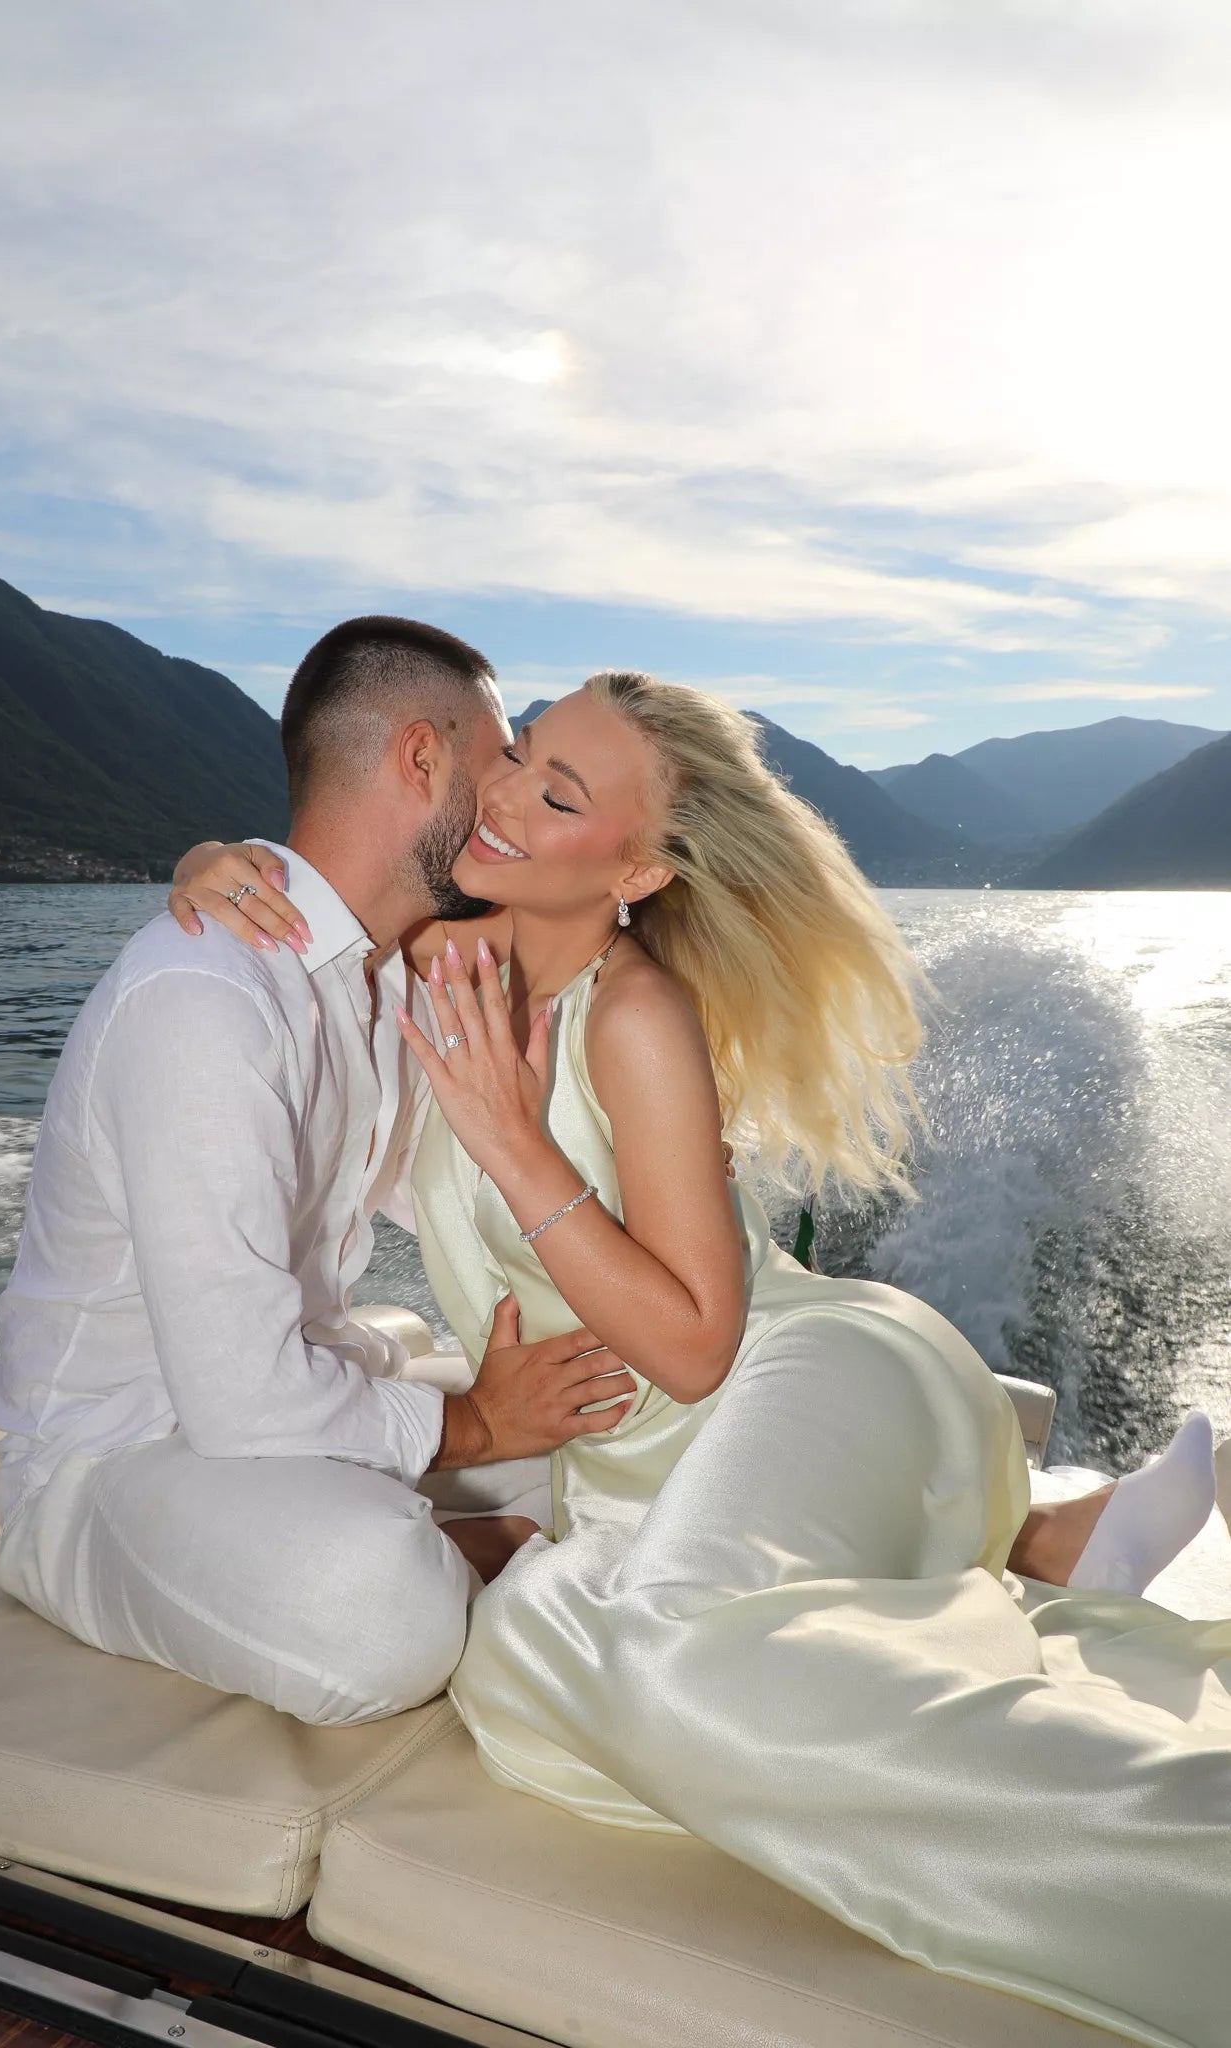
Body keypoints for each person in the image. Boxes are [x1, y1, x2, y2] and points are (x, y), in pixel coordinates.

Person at [178, 672, 1230, 2048]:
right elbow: (311, 908)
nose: (505, 794)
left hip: (800, 1377)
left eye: (559, 794)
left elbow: (692, 1347)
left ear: (636, 870)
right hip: (628, 1479)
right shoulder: (434, 957)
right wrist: (212, 861)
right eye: (521, 754)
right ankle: (1035, 1547)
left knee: (649, 1655)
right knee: (522, 1667)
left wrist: (510, 1137)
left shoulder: (636, 1017)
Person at [0, 618, 635, 1727]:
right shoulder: (207, 996)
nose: (509, 799)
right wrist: (478, 1425)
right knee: (378, 1609)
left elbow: (458, 1200)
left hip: (296, 1400)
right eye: (499, 761)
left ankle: (481, 1543)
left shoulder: (387, 982)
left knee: (629, 1448)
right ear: (421, 757)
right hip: (121, 1458)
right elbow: (236, 1397)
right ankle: (465, 1551)